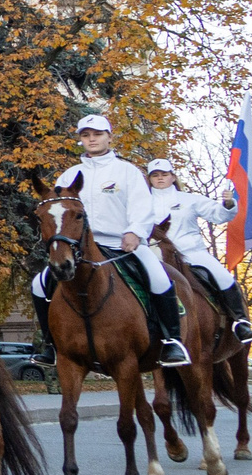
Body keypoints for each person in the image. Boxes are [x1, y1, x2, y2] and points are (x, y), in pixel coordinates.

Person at [34, 115, 189, 367]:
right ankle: (50, 345)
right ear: (81, 140)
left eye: (97, 134)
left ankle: (172, 341)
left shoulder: (126, 171)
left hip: (122, 244)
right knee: (39, 284)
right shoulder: (69, 175)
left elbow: (142, 206)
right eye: (86, 135)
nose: (91, 139)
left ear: (109, 136)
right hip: (79, 247)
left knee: (159, 278)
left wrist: (135, 232)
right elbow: (59, 211)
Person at [144, 160, 252, 346]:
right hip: (154, 255)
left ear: (173, 177)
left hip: (192, 253)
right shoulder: (141, 202)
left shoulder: (190, 199)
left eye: (164, 174)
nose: (160, 178)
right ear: (149, 179)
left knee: (222, 276)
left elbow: (219, 215)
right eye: (155, 175)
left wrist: (228, 204)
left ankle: (241, 322)